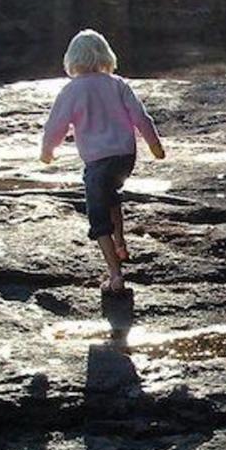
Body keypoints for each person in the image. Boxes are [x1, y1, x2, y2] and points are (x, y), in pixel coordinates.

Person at [40, 29, 165, 292]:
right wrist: (155, 146)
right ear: (106, 55)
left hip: (97, 163)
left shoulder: (72, 90)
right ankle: (120, 245)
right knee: (112, 195)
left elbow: (55, 126)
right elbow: (141, 117)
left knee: (98, 219)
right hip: (124, 158)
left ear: (71, 59)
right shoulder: (118, 84)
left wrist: (47, 151)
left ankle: (115, 275)